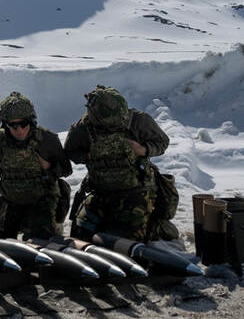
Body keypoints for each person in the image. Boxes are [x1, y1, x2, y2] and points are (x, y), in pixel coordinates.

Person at [64, 85, 177, 241]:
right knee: (81, 233)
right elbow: (71, 151)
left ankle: (158, 226)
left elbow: (162, 142)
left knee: (129, 238)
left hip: (136, 191)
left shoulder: (138, 121)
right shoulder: (83, 127)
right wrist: (88, 156)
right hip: (100, 190)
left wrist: (144, 149)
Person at [0, 91, 72, 240]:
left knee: (41, 240)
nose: (19, 130)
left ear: (31, 121)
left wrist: (49, 167)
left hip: (41, 199)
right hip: (10, 197)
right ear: (5, 125)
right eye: (13, 125)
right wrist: (5, 171)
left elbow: (66, 169)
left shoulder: (47, 140)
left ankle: (54, 226)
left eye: (23, 123)